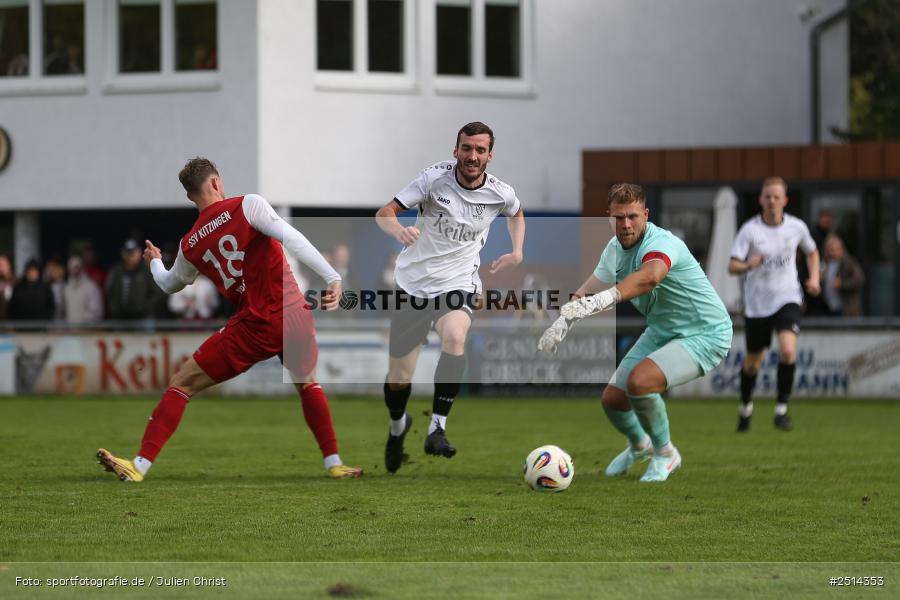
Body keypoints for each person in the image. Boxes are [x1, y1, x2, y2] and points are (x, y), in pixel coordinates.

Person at [97, 157, 362, 481]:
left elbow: (168, 284)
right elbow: (291, 237)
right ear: (216, 183)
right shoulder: (248, 205)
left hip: (257, 324)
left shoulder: (190, 243)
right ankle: (334, 463)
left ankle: (139, 466)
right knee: (307, 383)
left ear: (190, 196)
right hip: (295, 315)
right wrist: (332, 276)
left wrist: (154, 261)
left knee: (182, 382)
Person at [538, 183, 732, 483]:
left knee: (640, 382)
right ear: (609, 217)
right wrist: (562, 322)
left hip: (706, 333)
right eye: (618, 217)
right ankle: (640, 445)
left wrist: (606, 299)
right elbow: (587, 290)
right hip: (663, 330)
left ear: (646, 214)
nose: (626, 224)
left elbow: (650, 277)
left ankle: (666, 453)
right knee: (613, 400)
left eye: (632, 216)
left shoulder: (662, 242)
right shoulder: (614, 250)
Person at [374, 121, 525, 472]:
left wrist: (517, 252)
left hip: (458, 283)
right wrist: (398, 229)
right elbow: (385, 212)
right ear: (455, 150)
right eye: (467, 149)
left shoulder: (500, 192)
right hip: (413, 285)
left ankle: (437, 427)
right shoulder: (432, 180)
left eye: (480, 150)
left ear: (490, 155)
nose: (473, 156)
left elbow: (517, 213)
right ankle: (398, 426)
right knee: (399, 378)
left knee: (455, 336)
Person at [729, 176, 820, 432]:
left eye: (776, 196)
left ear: (784, 200)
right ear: (761, 199)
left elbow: (812, 251)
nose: (772, 201)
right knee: (752, 363)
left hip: (787, 297)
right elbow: (732, 265)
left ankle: (781, 411)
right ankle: (745, 407)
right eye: (767, 196)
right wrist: (748, 264)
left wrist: (814, 277)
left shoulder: (796, 227)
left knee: (788, 350)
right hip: (757, 304)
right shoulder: (750, 230)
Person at [105, 239, 160, 320]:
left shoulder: (147, 270)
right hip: (120, 318)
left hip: (143, 318)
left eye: (133, 253)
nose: (130, 256)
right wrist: (115, 309)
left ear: (139, 253)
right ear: (123, 253)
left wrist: (144, 309)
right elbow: (109, 292)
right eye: (128, 253)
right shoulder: (116, 271)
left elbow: (156, 293)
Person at [820, 234, 865, 317]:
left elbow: (859, 280)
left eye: (834, 249)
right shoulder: (825, 263)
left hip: (846, 309)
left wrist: (842, 283)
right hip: (829, 307)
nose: (831, 252)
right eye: (829, 250)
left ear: (841, 249)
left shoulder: (849, 263)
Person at [63, 256, 103, 324]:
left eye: (77, 267)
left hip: (86, 330)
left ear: (82, 268)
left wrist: (85, 325)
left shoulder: (91, 286)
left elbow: (95, 311)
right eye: (72, 268)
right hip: (70, 329)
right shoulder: (67, 288)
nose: (75, 271)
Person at [0, 254, 14, 321]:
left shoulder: (17, 282)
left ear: (9, 265)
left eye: (2, 265)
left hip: (14, 322)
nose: (0, 268)